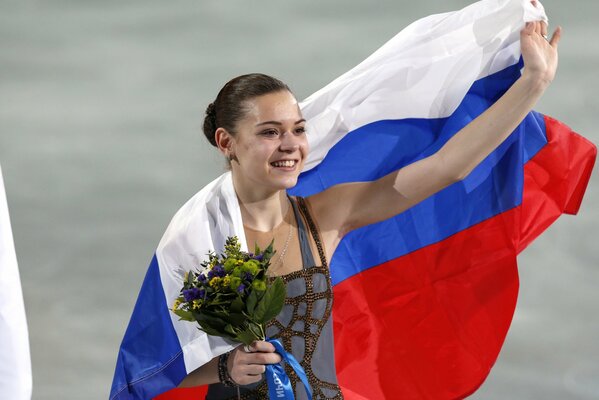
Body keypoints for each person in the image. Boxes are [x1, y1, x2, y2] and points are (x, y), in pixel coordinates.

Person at [172, 17, 562, 400]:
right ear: (226, 142)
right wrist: (225, 367)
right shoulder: (198, 236)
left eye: (299, 129)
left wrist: (534, 82)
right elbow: (155, 363)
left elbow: (447, 167)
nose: (290, 145)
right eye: (270, 132)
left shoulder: (326, 216)